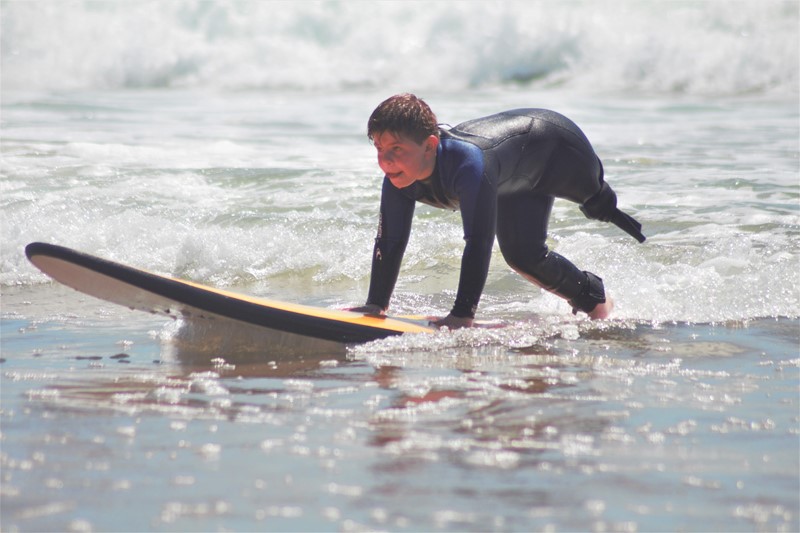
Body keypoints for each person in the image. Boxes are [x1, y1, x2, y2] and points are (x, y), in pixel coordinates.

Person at [351, 93, 645, 329]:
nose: (385, 160)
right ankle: (597, 300)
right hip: (513, 172)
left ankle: (600, 305)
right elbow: (390, 241)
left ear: (429, 146)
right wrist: (376, 304)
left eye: (396, 149)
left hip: (555, 148)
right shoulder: (400, 176)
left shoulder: (468, 165)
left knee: (598, 204)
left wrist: (462, 314)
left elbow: (478, 242)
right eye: (378, 149)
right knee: (524, 256)